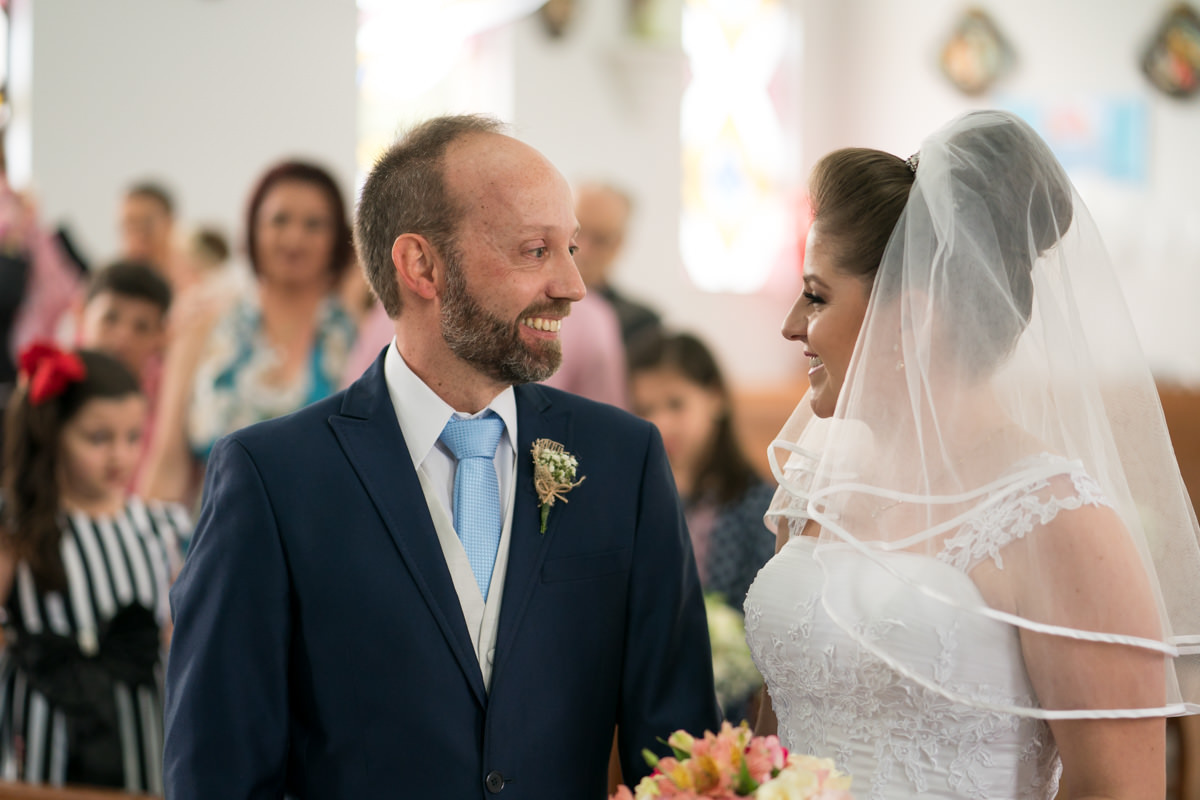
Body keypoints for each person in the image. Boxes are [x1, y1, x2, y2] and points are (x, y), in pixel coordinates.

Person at [163, 114, 720, 797]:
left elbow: (680, 755)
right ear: (421, 265)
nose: (574, 285)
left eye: (571, 248)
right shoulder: (273, 478)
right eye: (535, 251)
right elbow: (217, 769)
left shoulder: (624, 462)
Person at [745, 110, 1200, 799]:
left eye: (816, 296)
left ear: (915, 317)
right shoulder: (816, 488)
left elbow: (1120, 789)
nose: (791, 326)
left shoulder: (1060, 521)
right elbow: (775, 735)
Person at [0, 344, 188, 792]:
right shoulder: (17, 528)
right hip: (45, 733)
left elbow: (182, 634)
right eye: (97, 438)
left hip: (141, 732)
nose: (119, 456)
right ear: (52, 434)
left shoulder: (160, 528)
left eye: (132, 437)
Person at [142, 160, 357, 506]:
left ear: (337, 239)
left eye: (314, 224)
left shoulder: (357, 337)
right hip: (214, 544)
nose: (294, 237)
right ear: (253, 228)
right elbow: (168, 462)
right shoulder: (204, 327)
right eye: (279, 220)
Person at [628, 330, 775, 721]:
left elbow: (764, 617)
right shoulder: (637, 499)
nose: (661, 422)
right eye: (645, 408)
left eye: (676, 404)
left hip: (734, 705)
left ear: (715, 397)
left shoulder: (757, 503)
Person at [574, 182, 662, 348]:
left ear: (618, 245)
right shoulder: (526, 302)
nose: (582, 249)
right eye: (576, 232)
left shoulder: (640, 326)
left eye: (600, 239)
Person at [118, 182, 177, 280]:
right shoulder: (110, 287)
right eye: (129, 225)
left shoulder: (198, 283)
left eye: (147, 225)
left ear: (169, 223)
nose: (138, 236)